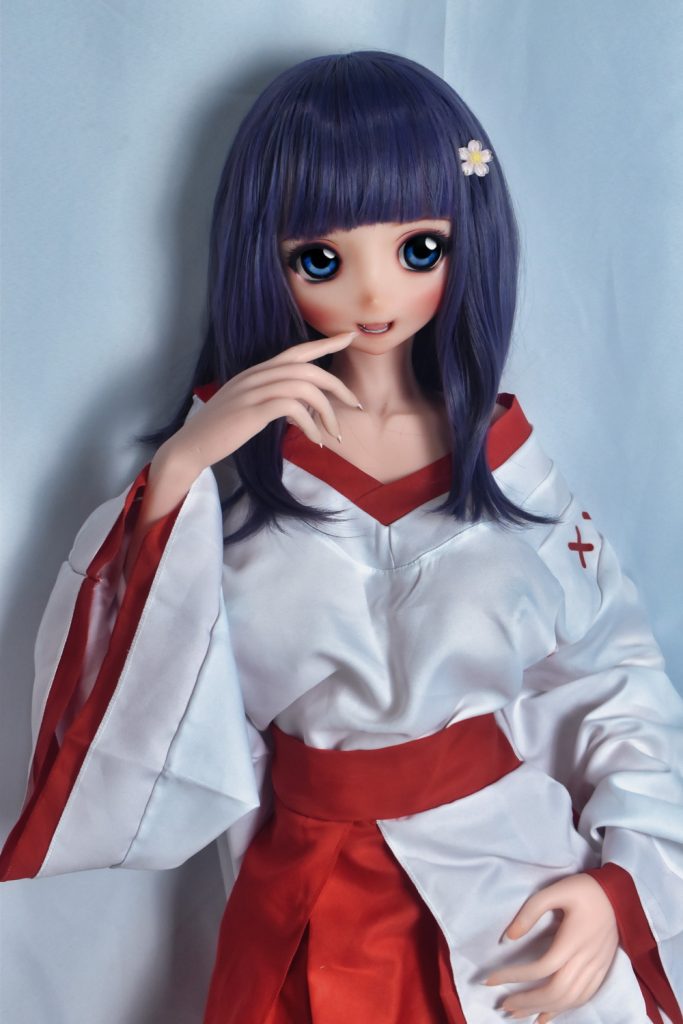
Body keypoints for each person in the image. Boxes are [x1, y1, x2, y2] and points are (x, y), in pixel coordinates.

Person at [1, 50, 682, 1024]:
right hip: (301, 891)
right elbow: (130, 701)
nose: (373, 295)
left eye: (418, 249)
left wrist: (620, 886)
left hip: (508, 882)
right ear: (266, 259)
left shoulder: (504, 461)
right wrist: (182, 468)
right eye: (320, 258)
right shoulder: (231, 477)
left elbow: (609, 674)